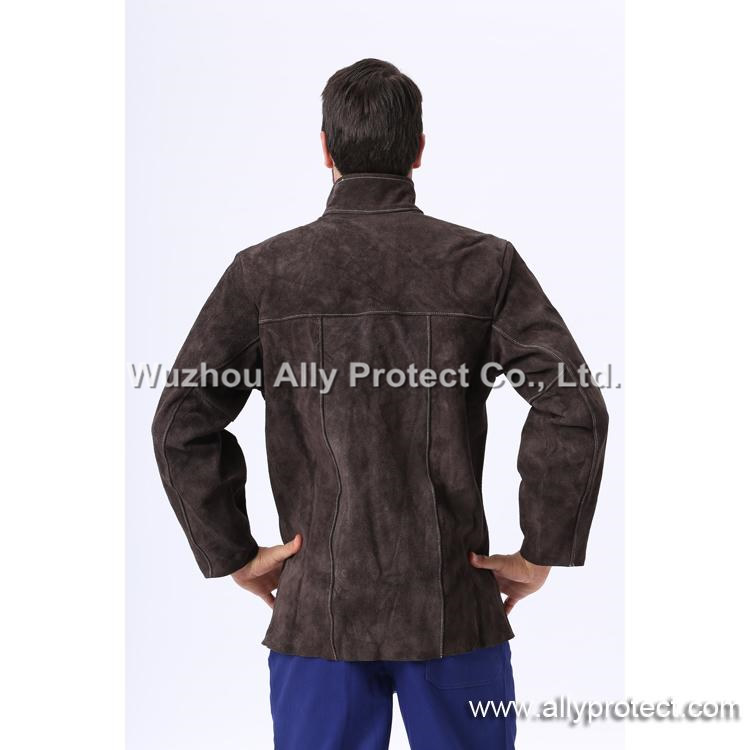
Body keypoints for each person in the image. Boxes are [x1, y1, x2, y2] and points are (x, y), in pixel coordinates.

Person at [152, 58, 608, 750]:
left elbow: (180, 421)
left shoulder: (264, 274)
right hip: (455, 611)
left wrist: (234, 553)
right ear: (419, 150)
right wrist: (541, 550)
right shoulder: (482, 264)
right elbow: (573, 404)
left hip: (318, 618)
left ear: (326, 150)